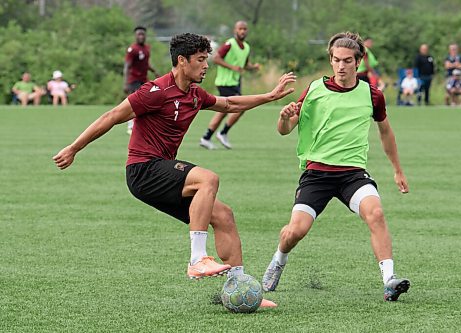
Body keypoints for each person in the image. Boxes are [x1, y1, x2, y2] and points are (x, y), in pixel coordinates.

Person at [53, 33, 295, 308]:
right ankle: (197, 259)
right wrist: (74, 148)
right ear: (182, 61)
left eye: (207, 59)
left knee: (224, 215)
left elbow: (229, 104)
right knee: (208, 179)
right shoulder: (154, 92)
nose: (206, 66)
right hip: (143, 170)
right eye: (201, 60)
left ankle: (240, 289)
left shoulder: (194, 94)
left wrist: (270, 96)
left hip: (161, 171)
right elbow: (111, 117)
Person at [261, 31, 410, 302]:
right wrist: (284, 118)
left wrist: (397, 169)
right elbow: (285, 130)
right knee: (295, 231)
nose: (341, 66)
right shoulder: (315, 90)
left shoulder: (372, 95)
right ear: (330, 60)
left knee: (375, 213)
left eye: (347, 61)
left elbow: (386, 132)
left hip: (352, 174)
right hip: (317, 174)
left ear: (359, 62)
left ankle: (389, 280)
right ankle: (278, 260)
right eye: (336, 60)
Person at [199, 21, 260, 150]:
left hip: (235, 82)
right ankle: (223, 133)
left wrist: (253, 67)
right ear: (235, 30)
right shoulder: (229, 44)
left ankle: (206, 137)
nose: (242, 31)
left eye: (244, 29)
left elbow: (244, 64)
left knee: (223, 111)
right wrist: (232, 67)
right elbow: (216, 58)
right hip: (225, 82)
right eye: (240, 29)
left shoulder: (247, 47)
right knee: (241, 106)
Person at [124, 26, 160, 134]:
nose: (141, 36)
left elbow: (146, 63)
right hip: (134, 80)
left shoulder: (146, 48)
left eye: (142, 34)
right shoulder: (132, 49)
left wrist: (155, 71)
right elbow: (127, 67)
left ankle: (143, 124)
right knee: (132, 103)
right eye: (139, 34)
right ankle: (130, 126)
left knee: (147, 101)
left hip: (143, 79)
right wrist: (125, 83)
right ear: (135, 36)